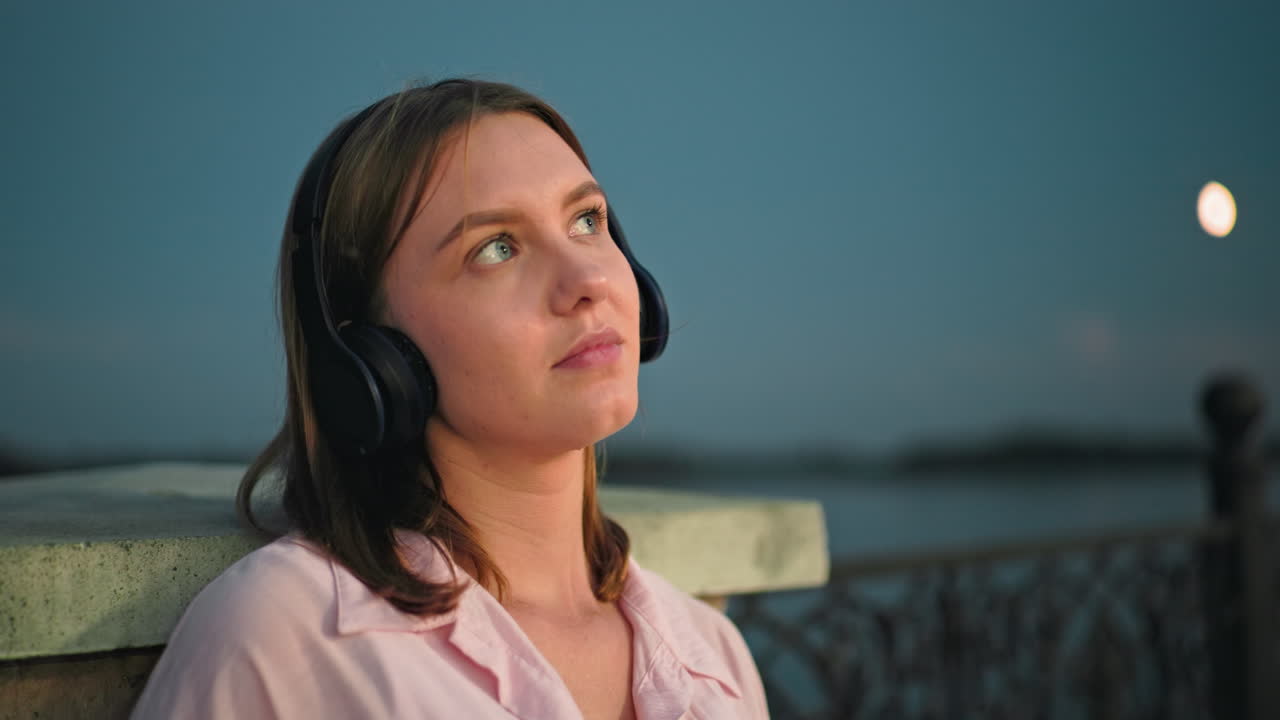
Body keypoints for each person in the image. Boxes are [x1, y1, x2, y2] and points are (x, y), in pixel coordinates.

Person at [131, 78, 769, 719]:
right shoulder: (282, 638)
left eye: (587, 220)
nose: (589, 279)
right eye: (497, 248)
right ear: (373, 357)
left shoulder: (716, 661)